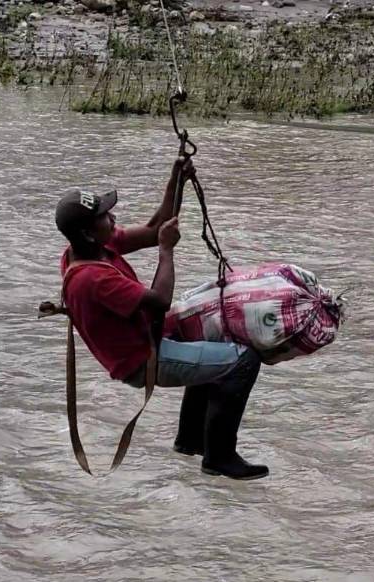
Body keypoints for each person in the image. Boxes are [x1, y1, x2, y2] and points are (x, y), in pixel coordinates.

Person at [54, 157, 268, 480]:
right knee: (244, 360)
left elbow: (155, 229)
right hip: (143, 361)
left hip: (148, 340)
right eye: (103, 216)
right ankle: (219, 458)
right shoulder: (92, 280)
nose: (112, 218)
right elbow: (159, 302)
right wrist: (166, 252)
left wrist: (176, 180)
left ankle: (190, 441)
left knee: (217, 336)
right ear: (86, 232)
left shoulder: (87, 248)